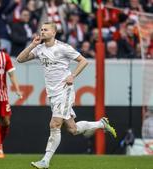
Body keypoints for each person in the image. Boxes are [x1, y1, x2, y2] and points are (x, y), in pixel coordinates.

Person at [16, 22, 117, 169]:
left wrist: (73, 75)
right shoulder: (39, 49)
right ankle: (101, 124)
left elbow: (83, 60)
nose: (42, 32)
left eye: (46, 30)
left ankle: (45, 161)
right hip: (53, 93)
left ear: (54, 33)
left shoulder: (63, 48)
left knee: (54, 124)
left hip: (65, 90)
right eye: (41, 29)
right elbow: (20, 59)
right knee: (73, 129)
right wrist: (32, 45)